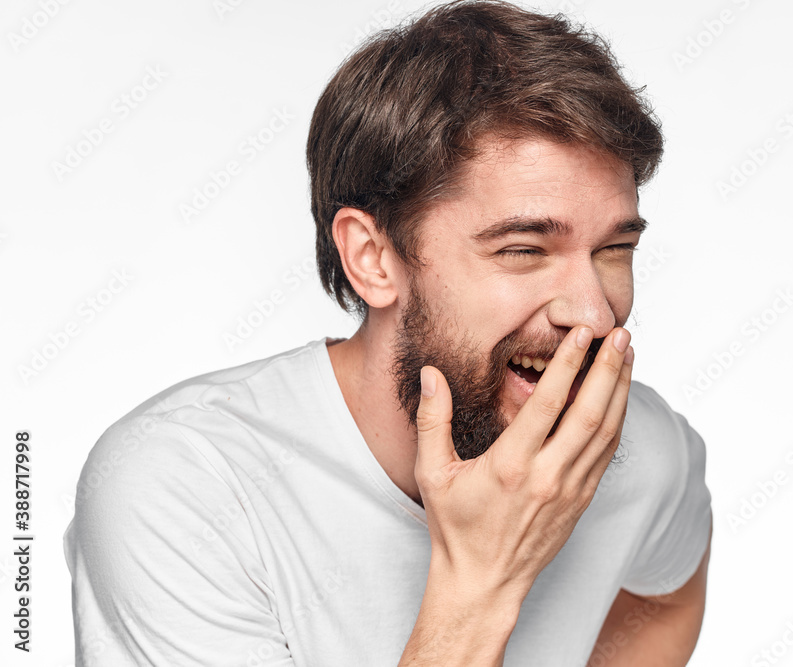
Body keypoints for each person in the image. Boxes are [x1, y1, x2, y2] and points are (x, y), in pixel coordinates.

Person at [62, 1, 713, 664]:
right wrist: (483, 579)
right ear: (373, 258)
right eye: (523, 249)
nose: (595, 313)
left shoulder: (635, 448)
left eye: (614, 248)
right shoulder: (179, 487)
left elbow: (665, 597)